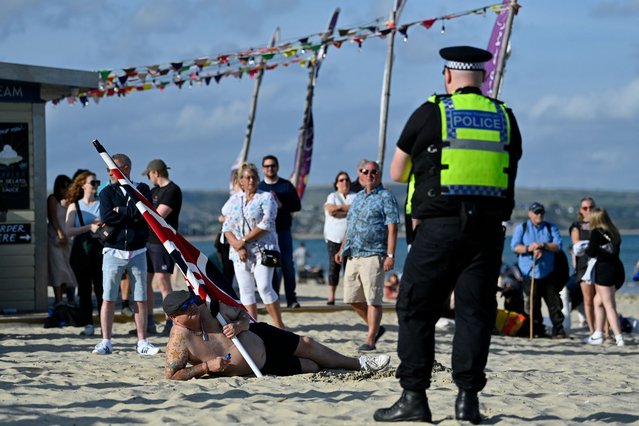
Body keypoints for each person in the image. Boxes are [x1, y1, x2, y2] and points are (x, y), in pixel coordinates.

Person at [376, 46, 522, 423]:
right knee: (474, 314)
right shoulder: (505, 116)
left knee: (416, 309)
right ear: (483, 79)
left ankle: (414, 397)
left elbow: (396, 171)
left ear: (447, 76)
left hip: (438, 228)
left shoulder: (432, 112)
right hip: (488, 232)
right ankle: (467, 402)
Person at [162, 290, 391, 379]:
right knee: (311, 366)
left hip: (261, 336)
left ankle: (359, 363)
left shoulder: (209, 308)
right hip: (260, 367)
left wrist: (241, 326)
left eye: (192, 302)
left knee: (308, 343)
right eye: (186, 309)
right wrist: (205, 367)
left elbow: (242, 313)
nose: (193, 308)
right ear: (173, 317)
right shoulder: (179, 340)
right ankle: (337, 364)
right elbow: (172, 376)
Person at [94, 153, 159, 356]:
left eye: (113, 168)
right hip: (113, 249)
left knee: (140, 297)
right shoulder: (106, 192)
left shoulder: (142, 189)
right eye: (107, 170)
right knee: (109, 297)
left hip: (138, 249)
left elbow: (145, 214)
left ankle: (142, 341)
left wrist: (120, 210)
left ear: (126, 168)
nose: (109, 173)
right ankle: (106, 341)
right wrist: (128, 213)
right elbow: (106, 216)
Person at [336, 160, 399, 352]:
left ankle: (370, 339)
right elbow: (350, 227)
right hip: (353, 254)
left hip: (374, 254)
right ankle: (376, 327)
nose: (369, 175)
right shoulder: (358, 198)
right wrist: (341, 249)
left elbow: (393, 227)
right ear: (359, 174)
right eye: (365, 171)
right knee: (352, 298)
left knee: (373, 298)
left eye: (373, 172)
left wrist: (390, 254)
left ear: (379, 174)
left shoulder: (386, 196)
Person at [222, 162, 285, 328]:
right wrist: (238, 246)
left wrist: (242, 241)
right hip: (239, 253)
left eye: (254, 177)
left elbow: (267, 224)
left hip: (262, 251)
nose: (251, 181)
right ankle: (253, 327)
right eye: (247, 178)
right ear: (240, 181)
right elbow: (226, 227)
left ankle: (279, 326)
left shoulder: (266, 197)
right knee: (246, 291)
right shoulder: (235, 200)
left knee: (264, 288)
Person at [511, 202, 566, 339]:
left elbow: (558, 246)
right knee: (533, 305)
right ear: (530, 214)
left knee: (555, 304)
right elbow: (515, 247)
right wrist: (529, 248)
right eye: (536, 212)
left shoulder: (550, 227)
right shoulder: (522, 228)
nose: (539, 215)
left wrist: (543, 245)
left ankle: (558, 331)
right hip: (529, 273)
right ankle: (537, 330)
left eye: (541, 212)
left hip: (548, 272)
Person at [142, 159, 182, 336]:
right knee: (146, 282)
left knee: (163, 282)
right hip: (148, 241)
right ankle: (148, 321)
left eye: (149, 174)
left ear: (156, 173)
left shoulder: (172, 190)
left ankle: (169, 321)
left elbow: (158, 216)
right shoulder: (154, 191)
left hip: (162, 242)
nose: (149, 178)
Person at [259, 155, 302, 308]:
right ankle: (273, 299)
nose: (270, 169)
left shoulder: (286, 186)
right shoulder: (259, 187)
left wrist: (280, 203)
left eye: (272, 166)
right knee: (269, 266)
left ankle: (291, 299)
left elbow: (297, 206)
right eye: (267, 166)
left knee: (287, 265)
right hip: (265, 234)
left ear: (277, 167)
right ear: (263, 168)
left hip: (283, 231)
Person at [65, 171, 103, 336]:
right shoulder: (75, 206)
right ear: (83, 185)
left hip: (100, 249)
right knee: (84, 288)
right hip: (81, 251)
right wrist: (88, 227)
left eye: (97, 182)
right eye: (93, 183)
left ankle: (104, 323)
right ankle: (88, 322)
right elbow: (68, 230)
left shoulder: (102, 204)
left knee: (102, 288)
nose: (96, 186)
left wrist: (101, 226)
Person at [582, 208, 626, 347]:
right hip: (617, 269)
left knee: (609, 305)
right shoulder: (614, 232)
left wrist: (582, 248)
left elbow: (591, 251)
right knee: (597, 302)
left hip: (604, 271)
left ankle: (619, 337)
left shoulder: (596, 232)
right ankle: (598, 334)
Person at [324, 171, 356, 305]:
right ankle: (331, 297)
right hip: (333, 237)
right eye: (341, 180)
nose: (344, 183)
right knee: (333, 267)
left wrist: (340, 210)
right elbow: (331, 211)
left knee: (350, 269)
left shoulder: (355, 196)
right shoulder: (332, 196)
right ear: (337, 184)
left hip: (352, 238)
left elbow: (357, 210)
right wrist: (348, 209)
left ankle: (349, 296)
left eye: (347, 180)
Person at [47, 174, 77, 305]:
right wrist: (59, 232)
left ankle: (71, 298)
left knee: (71, 268)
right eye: (63, 187)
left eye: (68, 186)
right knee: (57, 268)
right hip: (56, 236)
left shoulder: (72, 200)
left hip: (70, 237)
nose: (65, 189)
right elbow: (53, 218)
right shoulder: (53, 199)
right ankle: (58, 299)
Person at [569, 197, 596, 334]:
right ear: (581, 210)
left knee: (602, 300)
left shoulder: (600, 224)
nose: (588, 210)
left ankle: (604, 330)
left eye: (591, 207)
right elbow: (576, 244)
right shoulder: (577, 226)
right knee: (589, 300)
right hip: (584, 267)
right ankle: (592, 331)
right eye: (585, 208)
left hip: (600, 266)